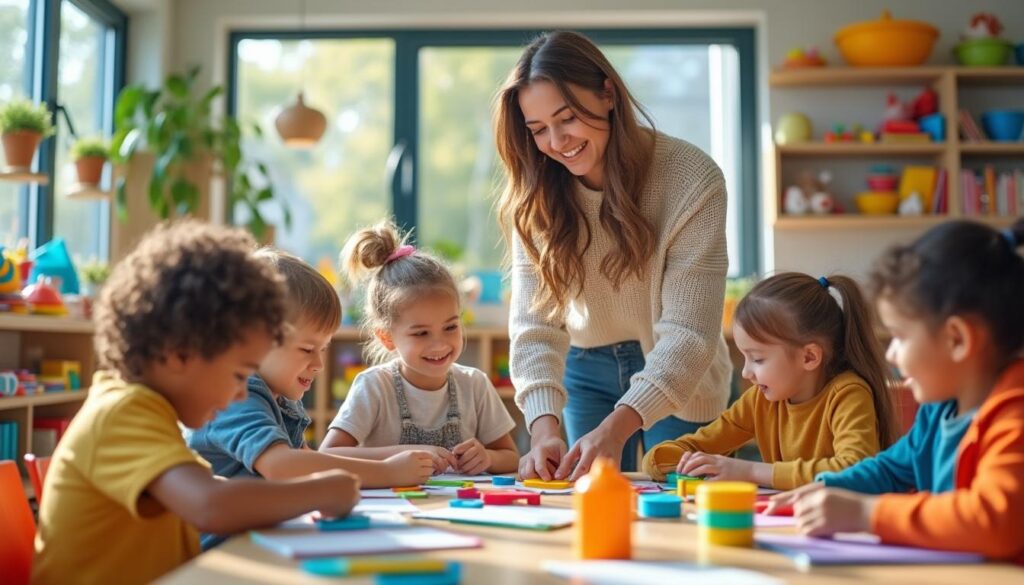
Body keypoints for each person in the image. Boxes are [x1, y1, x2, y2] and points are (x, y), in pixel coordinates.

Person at [33, 221, 360, 584]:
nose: (240, 394)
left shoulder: (148, 411)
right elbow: (210, 505)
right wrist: (322, 490)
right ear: (178, 355)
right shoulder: (122, 412)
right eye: (239, 375)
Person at [494, 30, 732, 480]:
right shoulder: (537, 197)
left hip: (685, 373)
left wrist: (618, 427)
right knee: (589, 510)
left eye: (566, 118)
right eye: (538, 129)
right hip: (585, 370)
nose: (557, 141)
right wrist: (544, 430)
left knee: (678, 515)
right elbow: (535, 327)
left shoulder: (692, 179)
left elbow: (688, 333)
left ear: (607, 93)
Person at [779, 220, 1024, 565]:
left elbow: (993, 521)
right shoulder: (940, 410)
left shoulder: (1015, 414)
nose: (891, 354)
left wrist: (867, 513)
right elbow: (891, 470)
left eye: (900, 336)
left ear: (957, 340)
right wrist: (825, 487)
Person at [187, 248, 433, 548]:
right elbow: (282, 466)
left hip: (264, 539)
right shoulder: (236, 395)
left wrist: (400, 458)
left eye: (324, 348)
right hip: (223, 554)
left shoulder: (278, 396)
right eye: (307, 349)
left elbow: (307, 459)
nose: (318, 364)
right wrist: (387, 471)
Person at [641, 272, 898, 490]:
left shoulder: (848, 394)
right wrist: (663, 460)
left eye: (757, 359)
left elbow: (855, 470)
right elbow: (693, 446)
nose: (746, 373)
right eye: (745, 358)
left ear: (809, 357)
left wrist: (751, 472)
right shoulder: (760, 400)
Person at [319, 220, 519, 476]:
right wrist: (397, 456)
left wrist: (487, 457)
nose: (440, 344)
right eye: (421, 333)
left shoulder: (475, 384)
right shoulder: (374, 386)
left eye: (450, 327)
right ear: (387, 338)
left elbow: (511, 457)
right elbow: (329, 455)